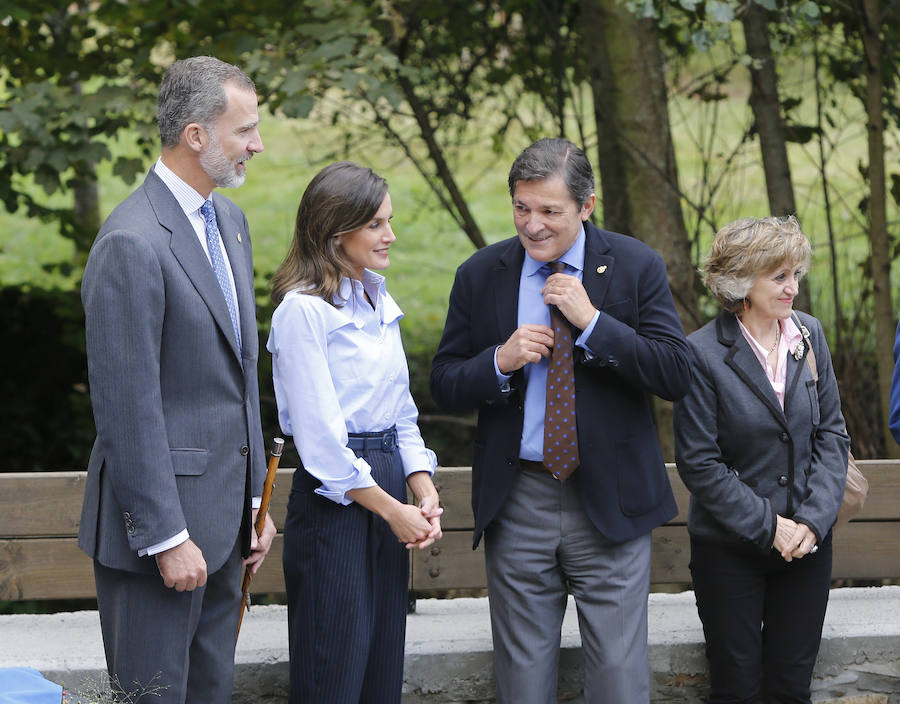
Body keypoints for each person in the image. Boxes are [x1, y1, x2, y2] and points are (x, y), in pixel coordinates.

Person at [430, 137, 693, 703]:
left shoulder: (634, 265)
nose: (533, 225)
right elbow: (444, 382)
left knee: (620, 682)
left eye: (550, 210)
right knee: (522, 683)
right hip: (518, 497)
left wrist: (594, 322)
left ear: (587, 206)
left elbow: (675, 374)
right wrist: (498, 361)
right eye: (522, 208)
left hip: (611, 501)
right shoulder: (481, 273)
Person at [79, 56, 275, 703]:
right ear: (196, 135)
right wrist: (166, 537)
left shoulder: (232, 225)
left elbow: (240, 373)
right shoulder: (131, 243)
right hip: (161, 542)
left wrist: (253, 503)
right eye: (244, 129)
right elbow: (125, 407)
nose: (257, 143)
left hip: (226, 533)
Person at [267, 161, 443, 704]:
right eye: (375, 225)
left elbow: (401, 409)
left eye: (389, 221)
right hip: (336, 496)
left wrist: (421, 484)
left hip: (388, 480)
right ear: (334, 230)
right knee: (333, 672)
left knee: (380, 670)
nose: (390, 235)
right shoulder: (302, 313)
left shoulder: (376, 298)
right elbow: (319, 445)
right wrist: (394, 511)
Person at [673, 216, 849, 703]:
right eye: (779, 277)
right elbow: (700, 464)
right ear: (740, 283)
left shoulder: (808, 335)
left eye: (795, 274)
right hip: (730, 551)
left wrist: (812, 522)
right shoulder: (701, 354)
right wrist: (772, 526)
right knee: (737, 687)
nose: (792, 288)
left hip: (807, 549)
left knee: (792, 687)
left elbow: (833, 434)